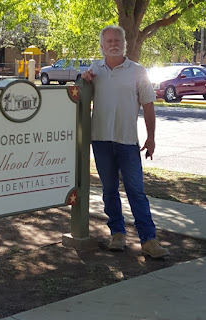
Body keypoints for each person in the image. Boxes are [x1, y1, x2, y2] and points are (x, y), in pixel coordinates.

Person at [82, 25, 169, 258]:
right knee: (109, 190)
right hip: (100, 141)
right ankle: (117, 234)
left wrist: (151, 138)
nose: (113, 43)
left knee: (136, 191)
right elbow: (82, 94)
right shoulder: (94, 69)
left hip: (128, 141)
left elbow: (149, 105)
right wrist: (84, 79)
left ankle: (149, 240)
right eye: (108, 40)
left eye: (117, 40)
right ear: (102, 46)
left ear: (124, 44)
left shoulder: (138, 71)